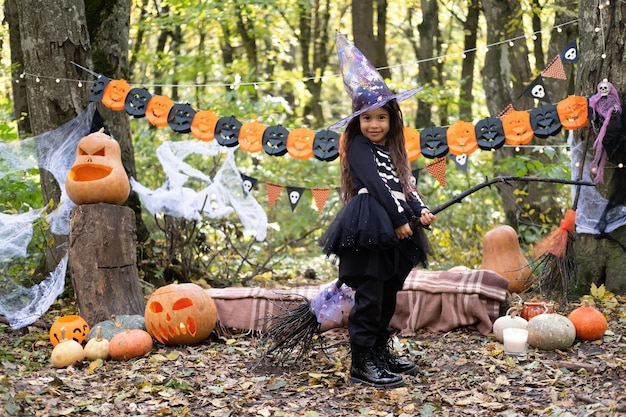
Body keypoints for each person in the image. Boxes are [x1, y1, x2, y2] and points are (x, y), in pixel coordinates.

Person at [320, 32, 436, 388]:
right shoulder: (356, 147)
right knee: (370, 295)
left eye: (381, 118)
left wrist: (419, 211)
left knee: (388, 294)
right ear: (358, 122)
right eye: (367, 118)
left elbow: (404, 186)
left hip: (396, 229)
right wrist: (401, 220)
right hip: (369, 227)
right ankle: (361, 362)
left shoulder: (395, 151)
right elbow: (379, 186)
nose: (374, 125)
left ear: (392, 120)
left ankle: (379, 353)